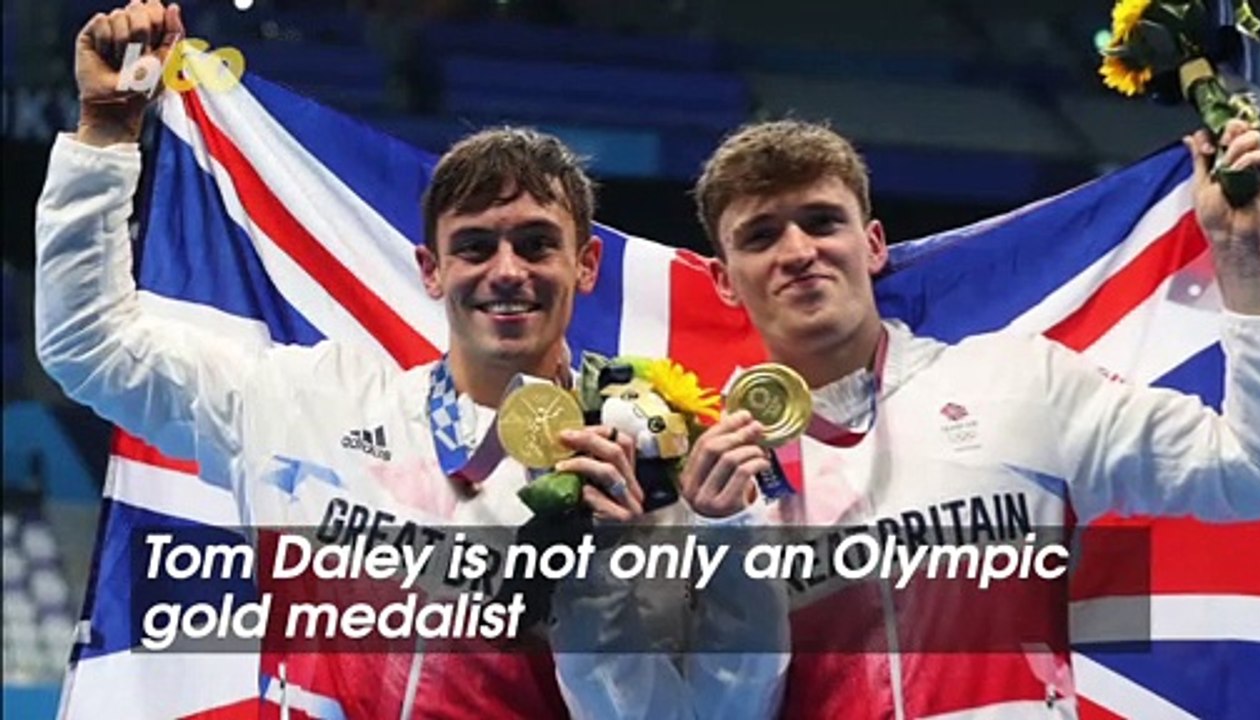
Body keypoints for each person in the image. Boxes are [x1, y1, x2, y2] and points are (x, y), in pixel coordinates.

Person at [35, 2, 779, 717]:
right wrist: (106, 133)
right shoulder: (308, 403)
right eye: (476, 246)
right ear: (431, 270)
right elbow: (87, 344)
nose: (507, 270)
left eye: (536, 243)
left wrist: (604, 576)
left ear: (586, 265)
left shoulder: (646, 475)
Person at [679, 118, 1260, 718]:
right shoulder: (706, 482)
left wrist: (1242, 259)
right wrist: (724, 543)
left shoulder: (1019, 383)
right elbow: (708, 711)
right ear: (724, 281)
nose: (799, 252)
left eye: (822, 222)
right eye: (761, 237)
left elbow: (1255, 472)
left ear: (873, 244)